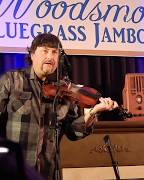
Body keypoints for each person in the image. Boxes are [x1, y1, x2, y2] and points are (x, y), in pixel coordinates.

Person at [0, 33, 118, 180]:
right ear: (32, 54)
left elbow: (73, 132)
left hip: (48, 171)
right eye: (45, 51)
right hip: (15, 169)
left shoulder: (64, 91)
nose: (50, 57)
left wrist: (92, 112)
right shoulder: (11, 81)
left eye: (55, 52)